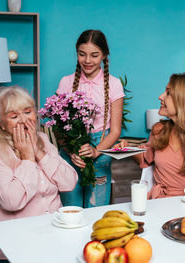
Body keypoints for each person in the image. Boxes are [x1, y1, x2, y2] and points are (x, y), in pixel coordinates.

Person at [0, 86, 78, 262]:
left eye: (27, 112)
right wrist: (27, 157)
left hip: (52, 240)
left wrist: (39, 152)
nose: (24, 121)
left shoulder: (43, 140)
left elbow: (69, 182)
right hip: (12, 246)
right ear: (1, 123)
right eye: (14, 116)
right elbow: (11, 201)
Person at [56, 29, 124, 207]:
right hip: (71, 151)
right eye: (82, 54)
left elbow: (115, 131)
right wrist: (71, 153)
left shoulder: (114, 84)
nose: (87, 60)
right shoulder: (66, 82)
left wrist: (96, 151)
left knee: (96, 210)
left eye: (94, 55)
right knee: (71, 211)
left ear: (104, 55)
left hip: (101, 149)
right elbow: (58, 127)